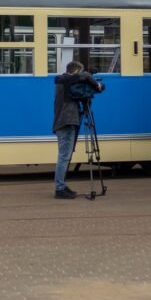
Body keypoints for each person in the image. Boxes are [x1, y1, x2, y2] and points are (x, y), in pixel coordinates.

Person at [51, 60, 103, 199]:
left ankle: (61, 186)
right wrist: (97, 84)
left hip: (66, 122)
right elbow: (84, 76)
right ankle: (59, 189)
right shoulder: (65, 81)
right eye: (79, 73)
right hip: (66, 123)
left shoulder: (64, 83)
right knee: (64, 157)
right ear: (75, 72)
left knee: (65, 156)